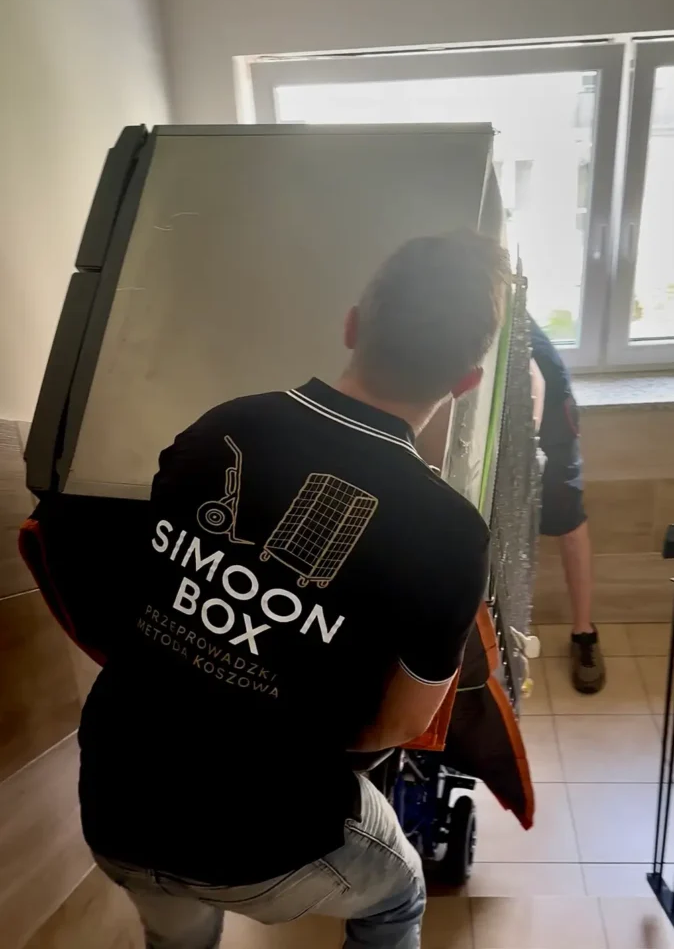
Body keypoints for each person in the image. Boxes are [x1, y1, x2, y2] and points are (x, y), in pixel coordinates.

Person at [77, 231, 510, 949]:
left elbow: (143, 600)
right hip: (261, 845)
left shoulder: (225, 426)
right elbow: (399, 725)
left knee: (175, 925)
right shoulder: (450, 532)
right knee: (398, 894)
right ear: (466, 383)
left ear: (352, 324)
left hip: (112, 803)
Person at [529, 314, 605, 694]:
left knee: (570, 524)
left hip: (551, 420)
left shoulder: (494, 300)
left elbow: (536, 378)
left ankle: (584, 633)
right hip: (511, 416)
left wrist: (530, 442)